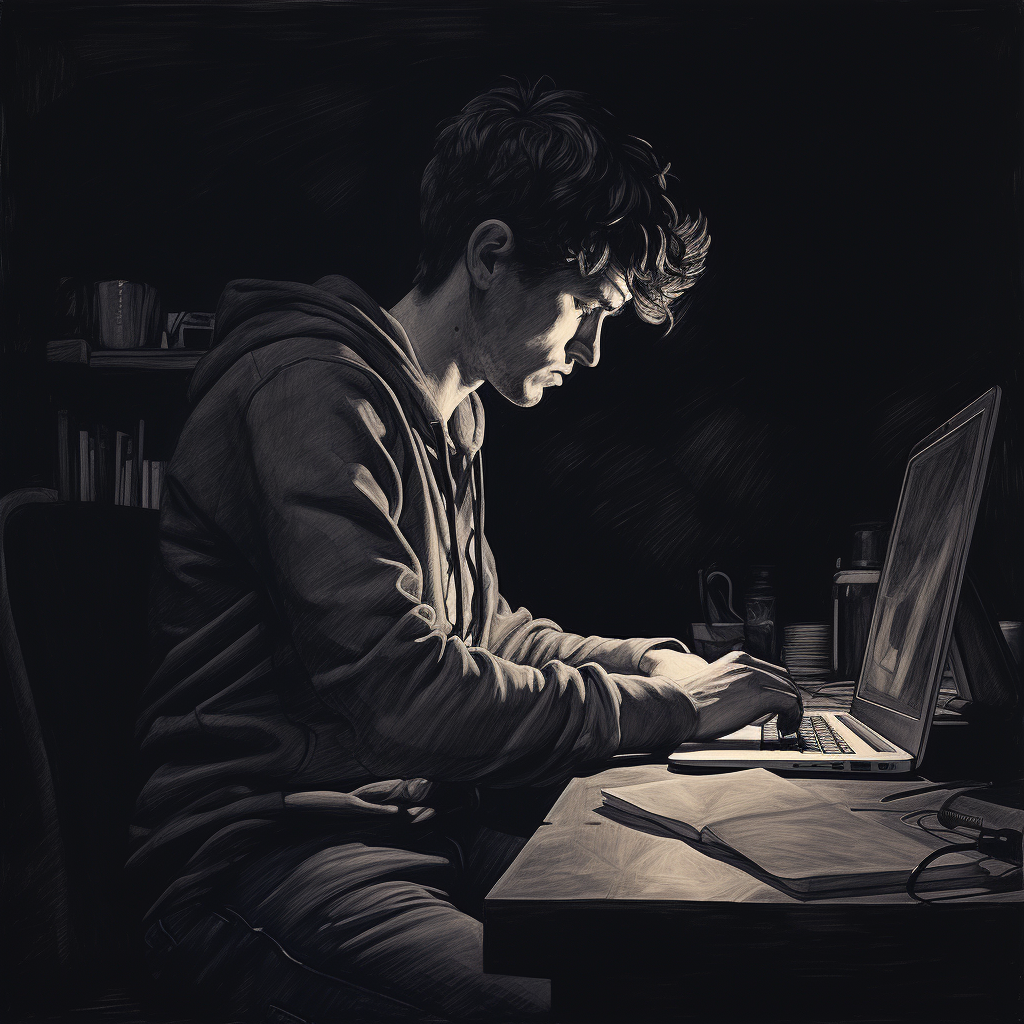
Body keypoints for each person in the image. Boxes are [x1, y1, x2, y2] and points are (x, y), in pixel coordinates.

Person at [130, 79, 803, 1023]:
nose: (593, 352)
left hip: (414, 839)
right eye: (584, 306)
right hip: (260, 867)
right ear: (491, 255)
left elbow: (483, 637)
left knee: (695, 946)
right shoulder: (308, 393)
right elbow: (406, 691)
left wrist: (649, 663)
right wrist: (664, 711)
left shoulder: (449, 415)